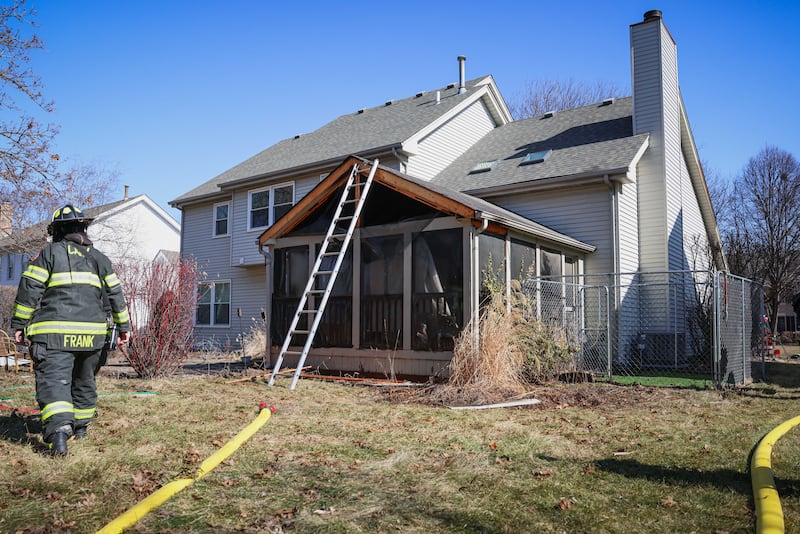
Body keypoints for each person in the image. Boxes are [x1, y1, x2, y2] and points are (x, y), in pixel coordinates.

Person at [11, 204, 131, 456]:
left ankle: (59, 435)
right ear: (83, 229)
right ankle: (82, 428)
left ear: (58, 230)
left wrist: (19, 324)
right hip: (92, 337)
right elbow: (116, 295)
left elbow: (30, 288)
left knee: (55, 383)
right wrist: (123, 328)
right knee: (84, 381)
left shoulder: (49, 253)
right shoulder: (100, 258)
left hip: (54, 335)